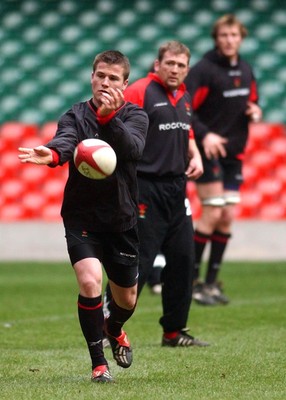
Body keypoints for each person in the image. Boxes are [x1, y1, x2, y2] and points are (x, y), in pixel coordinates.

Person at [18, 50, 149, 383]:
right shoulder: (75, 115)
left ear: (125, 84)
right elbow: (66, 140)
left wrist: (108, 119)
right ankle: (98, 365)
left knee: (127, 299)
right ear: (92, 76)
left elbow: (132, 150)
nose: (105, 82)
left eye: (113, 78)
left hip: (121, 220)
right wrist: (52, 153)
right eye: (100, 75)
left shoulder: (136, 116)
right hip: (82, 218)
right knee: (90, 281)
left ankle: (114, 327)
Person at [105, 40, 209, 347]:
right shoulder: (139, 90)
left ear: (187, 70)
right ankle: (108, 323)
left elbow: (186, 131)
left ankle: (174, 332)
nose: (175, 69)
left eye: (181, 65)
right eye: (170, 64)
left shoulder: (184, 96)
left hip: (178, 189)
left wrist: (196, 154)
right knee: (138, 263)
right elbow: (114, 127)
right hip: (145, 188)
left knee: (184, 260)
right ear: (157, 64)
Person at [184, 14, 263, 306]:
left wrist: (255, 110)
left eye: (234, 35)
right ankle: (190, 282)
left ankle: (210, 282)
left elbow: (253, 98)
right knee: (213, 213)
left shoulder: (245, 68)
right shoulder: (204, 70)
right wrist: (204, 136)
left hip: (234, 153)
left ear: (241, 37)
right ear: (216, 38)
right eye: (224, 35)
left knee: (227, 217)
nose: (229, 40)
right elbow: (185, 107)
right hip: (208, 151)